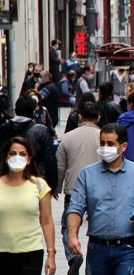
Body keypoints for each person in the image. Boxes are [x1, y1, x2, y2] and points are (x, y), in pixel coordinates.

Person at [66, 123, 134, 274]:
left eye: (110, 144)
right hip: (97, 249)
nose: (105, 147)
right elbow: (75, 207)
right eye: (102, 143)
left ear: (123, 147)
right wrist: (72, 235)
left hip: (128, 249)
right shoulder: (87, 174)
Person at [0, 136, 56, 275]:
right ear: (6, 157)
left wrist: (51, 254)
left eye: (22, 154)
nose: (17, 157)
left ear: (29, 159)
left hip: (31, 253)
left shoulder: (38, 185)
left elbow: (47, 221)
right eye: (13, 153)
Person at [55, 102, 99, 273]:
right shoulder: (103, 136)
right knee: (97, 225)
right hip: (98, 189)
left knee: (68, 225)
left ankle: (73, 255)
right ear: (98, 117)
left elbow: (60, 167)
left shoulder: (67, 137)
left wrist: (57, 188)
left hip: (74, 188)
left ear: (79, 117)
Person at [1, 96, 58, 192]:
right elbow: (50, 160)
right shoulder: (41, 131)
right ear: (33, 111)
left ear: (16, 110)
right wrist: (52, 186)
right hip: (34, 181)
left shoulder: (4, 128)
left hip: (8, 180)